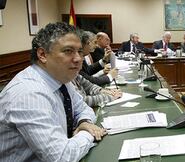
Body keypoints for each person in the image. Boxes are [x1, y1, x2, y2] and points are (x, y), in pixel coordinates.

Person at [0, 22, 106, 161]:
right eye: (68, 51)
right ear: (43, 54)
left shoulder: (60, 78)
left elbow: (83, 108)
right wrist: (89, 132)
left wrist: (83, 122)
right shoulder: (29, 94)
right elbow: (61, 157)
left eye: (80, 51)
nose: (78, 58)